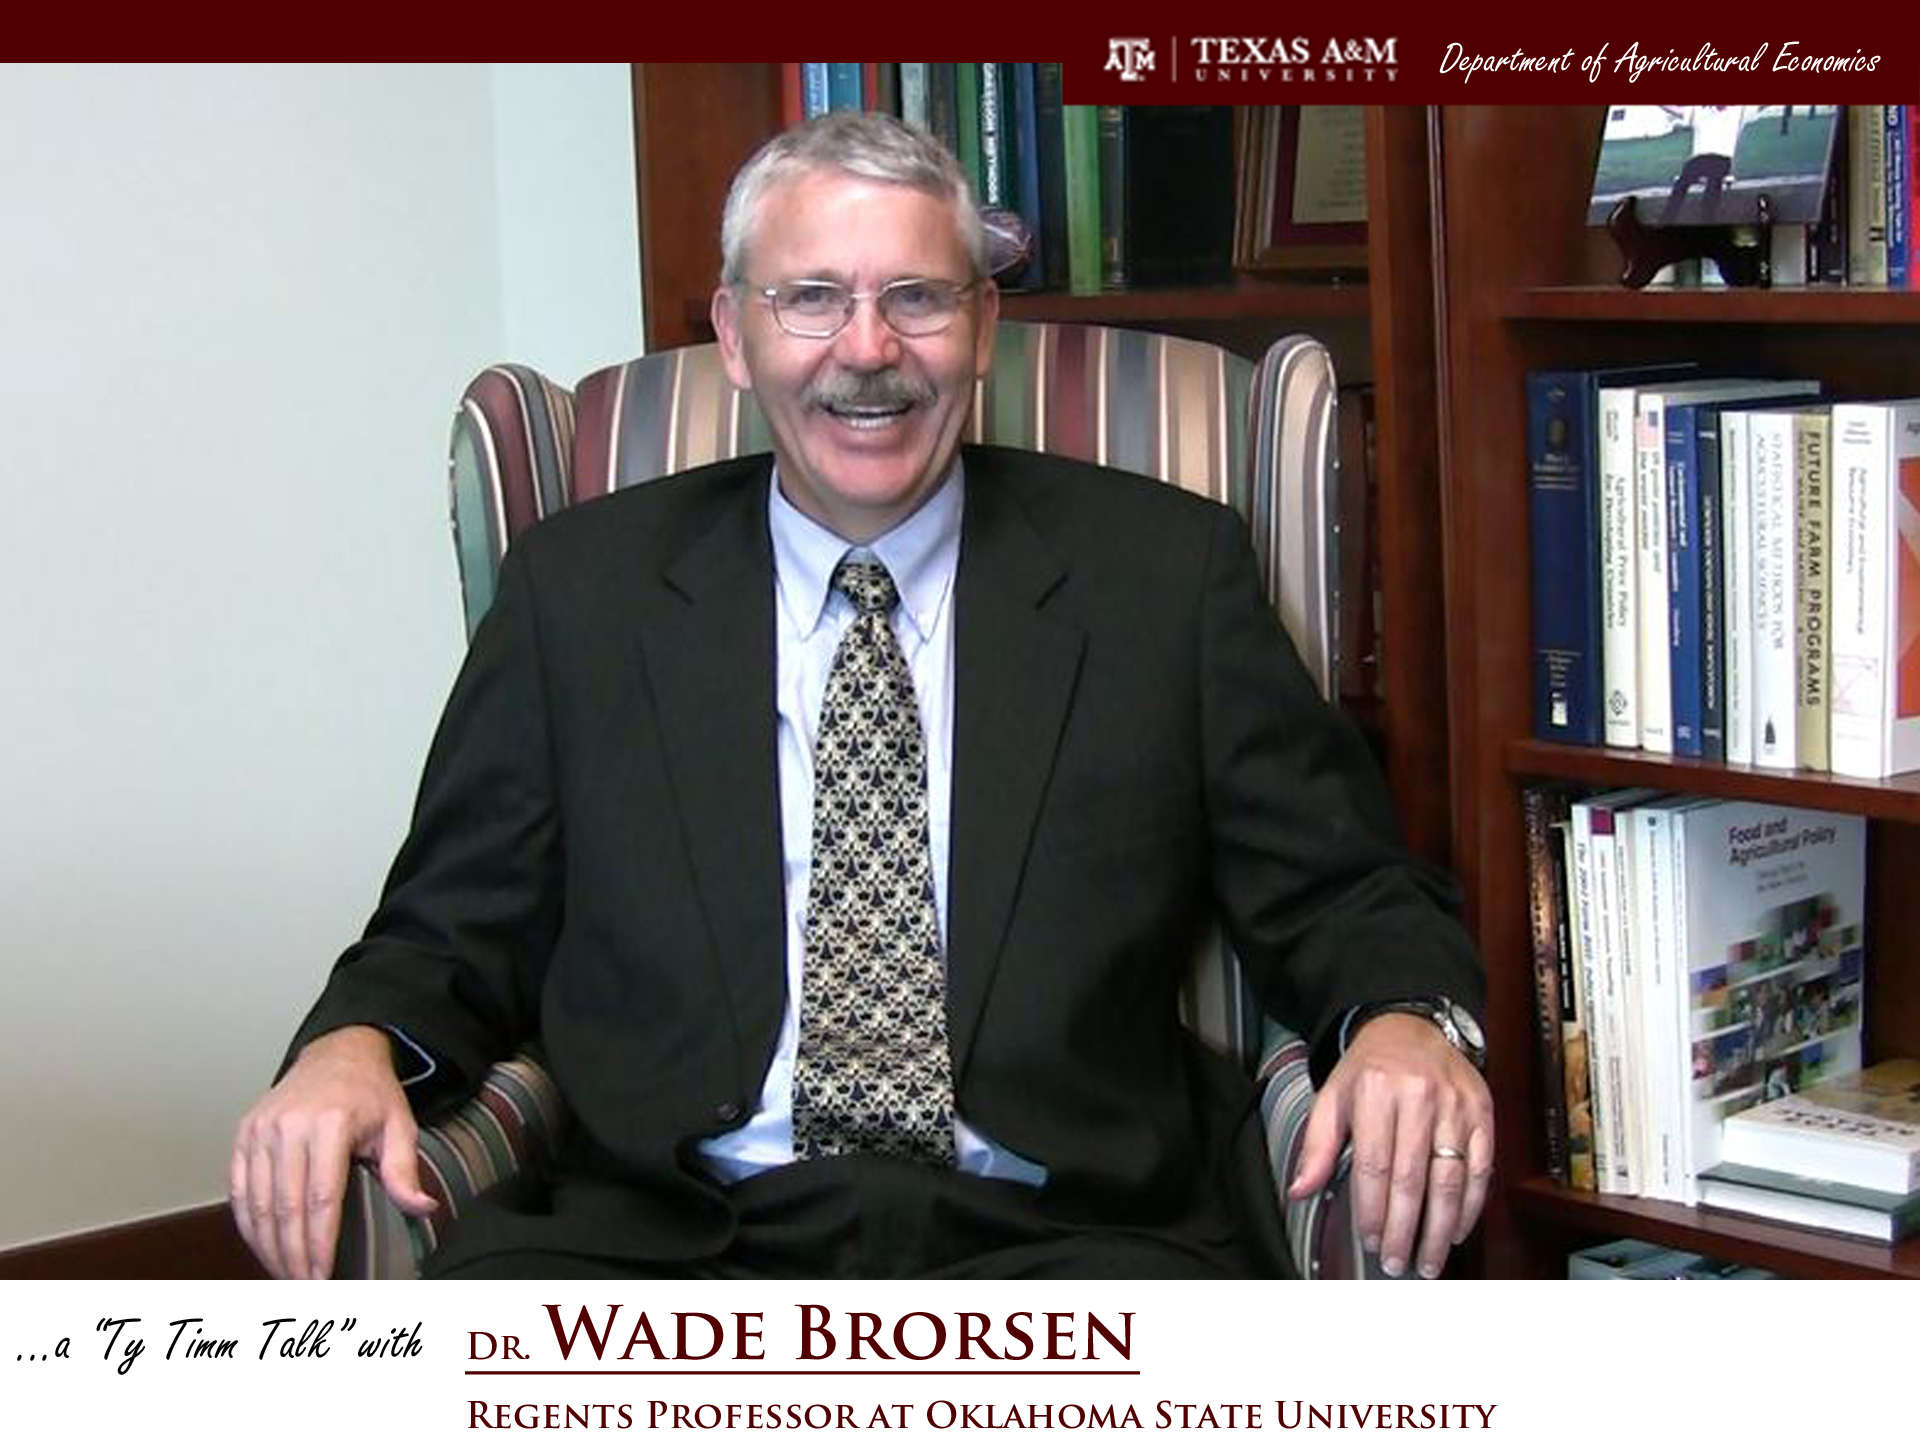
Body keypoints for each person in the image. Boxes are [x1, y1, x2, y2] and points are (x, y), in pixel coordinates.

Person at [231, 112, 1492, 1282]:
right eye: (812, 300)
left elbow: (1344, 887)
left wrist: (1401, 1020)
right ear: (734, 335)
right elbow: (452, 921)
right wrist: (353, 1047)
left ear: (982, 327)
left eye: (917, 298)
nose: (868, 350)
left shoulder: (1161, 576)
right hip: (666, 1237)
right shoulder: (584, 593)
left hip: (1074, 1234)